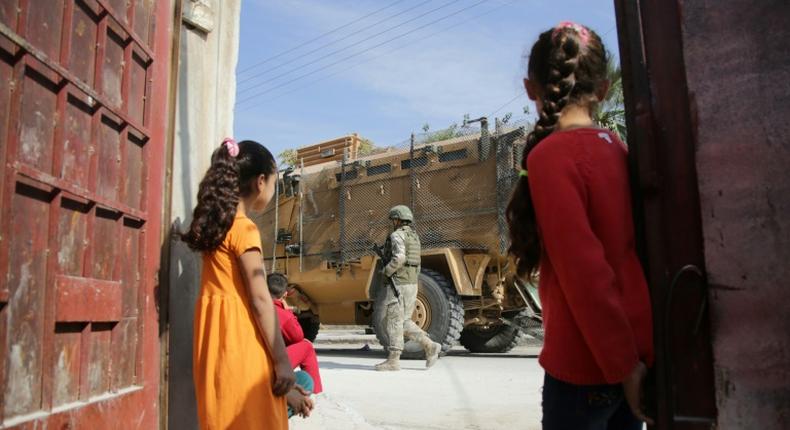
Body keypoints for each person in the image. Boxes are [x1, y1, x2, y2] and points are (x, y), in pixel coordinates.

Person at [506, 22, 654, 429]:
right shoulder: (618, 149)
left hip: (587, 366)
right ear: (604, 90)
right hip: (635, 355)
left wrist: (621, 366)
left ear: (530, 88)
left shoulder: (550, 158)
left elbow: (585, 274)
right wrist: (632, 363)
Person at [182, 138, 304, 429]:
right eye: (275, 184)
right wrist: (282, 361)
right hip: (240, 340)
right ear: (261, 182)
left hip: (216, 344)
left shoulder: (218, 229)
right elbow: (261, 300)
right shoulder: (245, 229)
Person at [373, 205, 442, 371]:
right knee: (404, 321)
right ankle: (430, 345)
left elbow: (399, 258)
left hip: (399, 283)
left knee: (394, 320)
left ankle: (394, 360)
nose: (392, 223)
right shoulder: (414, 236)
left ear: (398, 219)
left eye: (393, 220)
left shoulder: (398, 235)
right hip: (411, 283)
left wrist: (386, 272)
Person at [268, 272, 324, 393]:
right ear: (285, 294)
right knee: (307, 346)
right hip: (266, 365)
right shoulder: (281, 313)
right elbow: (297, 337)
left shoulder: (251, 306)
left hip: (249, 360)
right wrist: (288, 312)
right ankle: (315, 392)